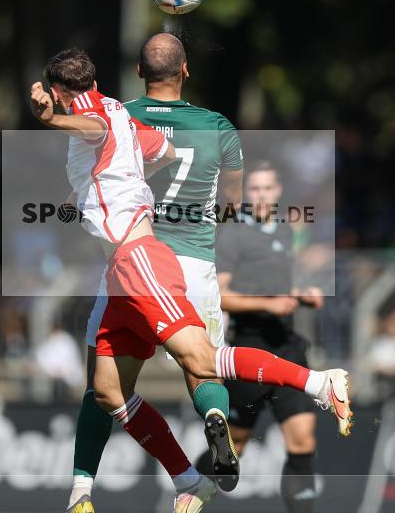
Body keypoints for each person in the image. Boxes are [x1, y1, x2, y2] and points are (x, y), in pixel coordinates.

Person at [30, 49, 352, 513]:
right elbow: (162, 152)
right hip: (131, 267)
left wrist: (49, 119)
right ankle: (184, 479)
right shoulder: (120, 112)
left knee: (202, 359)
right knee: (106, 389)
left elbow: (93, 128)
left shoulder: (95, 114)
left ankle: (321, 383)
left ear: (59, 93)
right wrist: (100, 188)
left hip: (140, 260)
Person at [68, 33, 244, 513]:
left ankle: (83, 489)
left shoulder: (120, 114)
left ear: (140, 74)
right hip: (193, 262)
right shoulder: (218, 126)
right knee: (202, 364)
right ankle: (212, 416)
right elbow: (232, 203)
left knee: (105, 383)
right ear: (186, 71)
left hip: (133, 259)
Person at [194, 161, 348, 513]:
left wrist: (300, 294)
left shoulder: (281, 231)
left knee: (302, 439)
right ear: (247, 193)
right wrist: (269, 304)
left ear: (278, 192)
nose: (261, 196)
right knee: (235, 448)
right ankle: (187, 490)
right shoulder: (234, 233)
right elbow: (219, 295)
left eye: (267, 189)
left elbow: (276, 288)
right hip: (250, 349)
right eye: (255, 189)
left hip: (287, 347)